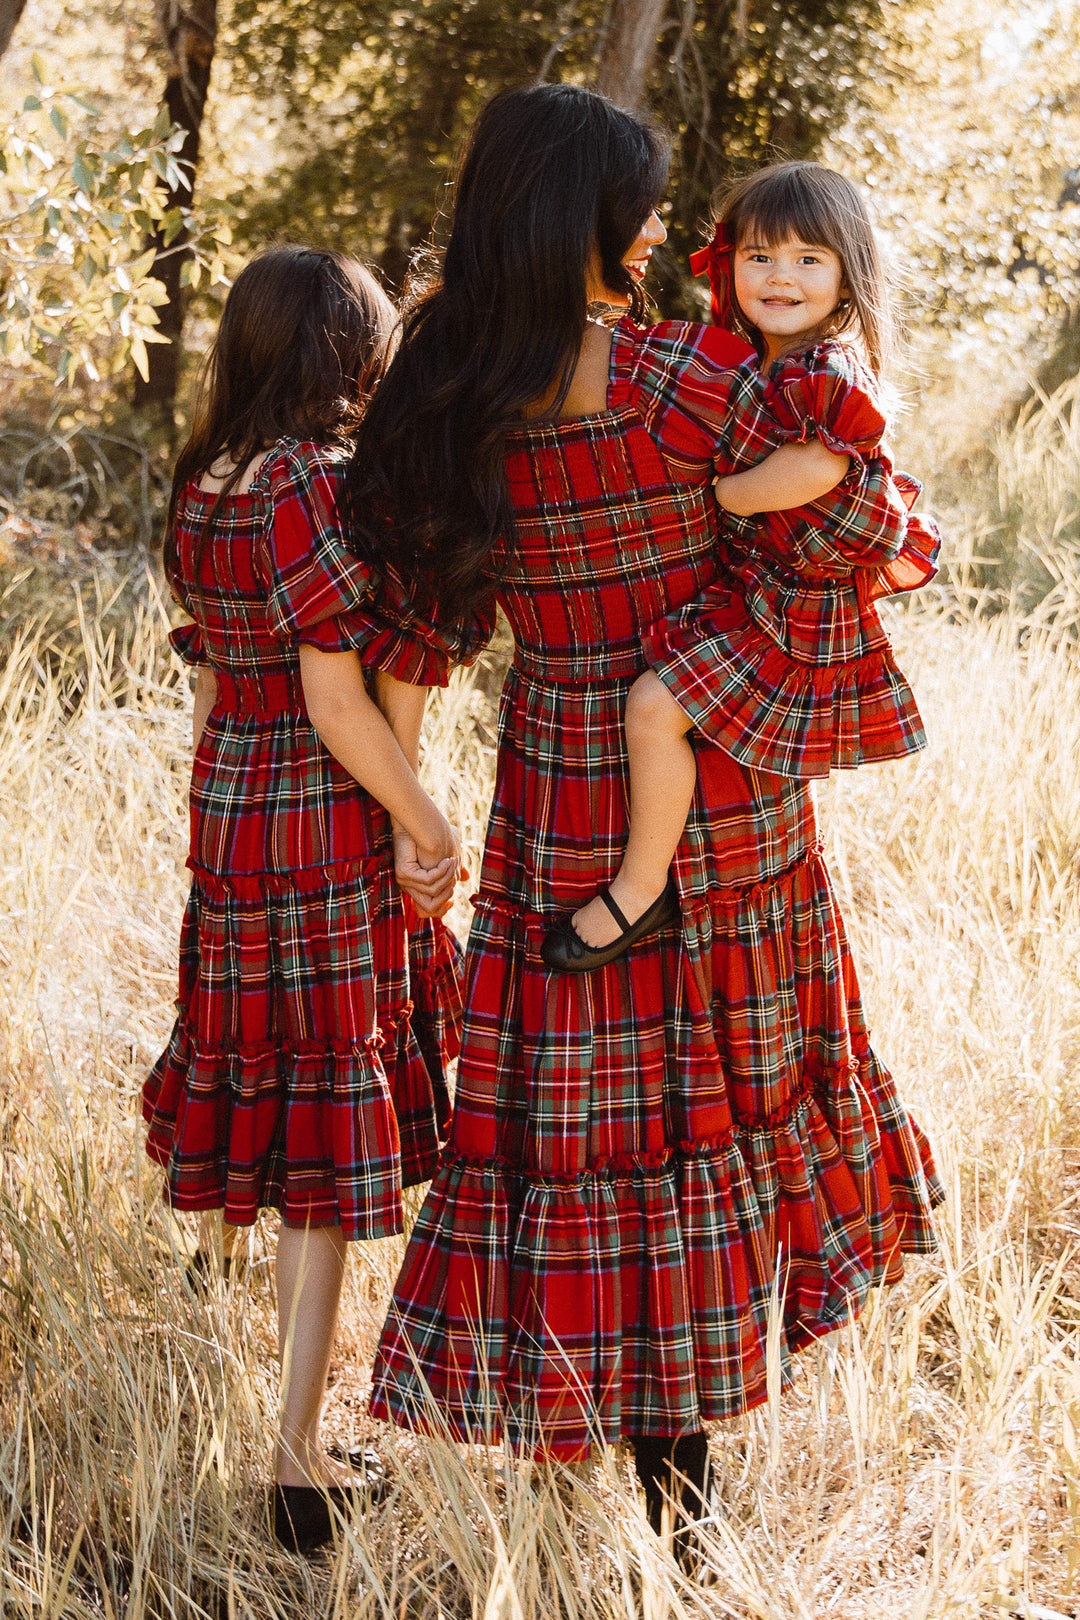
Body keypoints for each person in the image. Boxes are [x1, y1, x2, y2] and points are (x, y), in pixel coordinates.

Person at [341, 85, 943, 1563]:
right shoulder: (690, 382)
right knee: (711, 1104)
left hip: (559, 781)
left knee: (583, 1122)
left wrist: (418, 824)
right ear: (589, 222)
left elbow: (414, 631)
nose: (676, 230)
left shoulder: (445, 400)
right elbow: (887, 526)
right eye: (652, 206)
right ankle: (689, 1523)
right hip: (718, 779)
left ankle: (587, 1468)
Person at [141, 246, 465, 1553]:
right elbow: (337, 704)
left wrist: (214, 827)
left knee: (272, 1112)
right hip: (317, 830)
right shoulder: (311, 486)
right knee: (328, 1156)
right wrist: (428, 824)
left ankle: (270, 1427)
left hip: (232, 823)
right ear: (348, 353)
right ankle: (292, 1462)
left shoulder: (206, 479)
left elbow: (220, 682)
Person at [552, 160, 941, 968]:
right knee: (666, 706)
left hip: (795, 617)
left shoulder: (823, 368)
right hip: (770, 599)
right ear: (728, 263)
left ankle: (640, 887)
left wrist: (727, 496)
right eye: (760, 255)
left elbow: (820, 468)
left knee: (656, 707)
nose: (780, 276)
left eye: (808, 260)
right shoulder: (760, 362)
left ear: (848, 275)